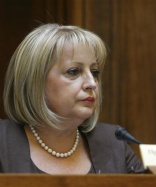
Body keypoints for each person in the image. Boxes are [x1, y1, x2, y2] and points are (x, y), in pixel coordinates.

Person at [0, 23, 145, 174]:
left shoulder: (114, 143)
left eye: (95, 72)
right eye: (74, 71)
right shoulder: (3, 143)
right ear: (35, 81)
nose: (91, 83)